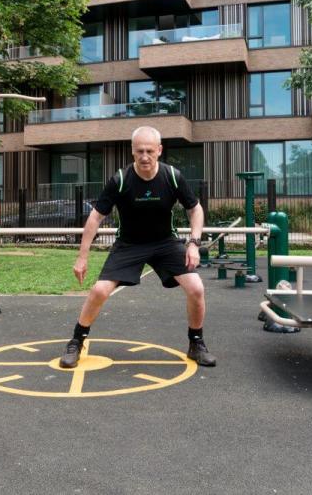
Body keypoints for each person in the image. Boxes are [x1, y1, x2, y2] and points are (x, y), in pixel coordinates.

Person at [60, 126, 216, 368]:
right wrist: (82, 257)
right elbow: (95, 218)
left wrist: (193, 243)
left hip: (165, 242)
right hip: (129, 244)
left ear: (159, 151)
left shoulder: (173, 176)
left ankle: (196, 343)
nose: (145, 156)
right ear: (132, 152)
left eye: (150, 151)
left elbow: (195, 209)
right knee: (100, 291)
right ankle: (76, 341)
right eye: (140, 151)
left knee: (196, 288)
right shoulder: (120, 180)